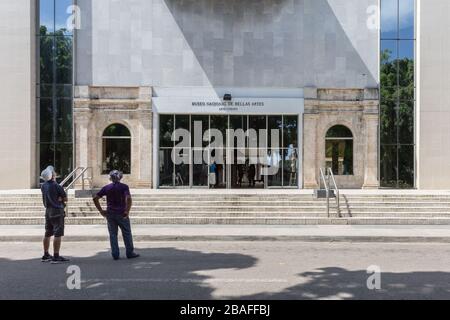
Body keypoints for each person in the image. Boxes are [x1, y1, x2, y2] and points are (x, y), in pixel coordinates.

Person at [93, 170, 140, 260]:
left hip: (110, 214)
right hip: (122, 213)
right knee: (126, 233)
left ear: (110, 178)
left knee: (113, 234)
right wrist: (127, 211)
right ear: (120, 177)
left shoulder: (107, 188)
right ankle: (129, 252)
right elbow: (129, 198)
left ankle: (115, 254)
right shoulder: (124, 187)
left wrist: (101, 211)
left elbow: (95, 198)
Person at [40, 166, 70, 264]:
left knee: (47, 233)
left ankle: (46, 254)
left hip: (48, 211)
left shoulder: (43, 186)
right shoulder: (56, 186)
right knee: (58, 233)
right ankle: (56, 256)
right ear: (52, 175)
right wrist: (61, 199)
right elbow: (65, 198)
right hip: (57, 210)